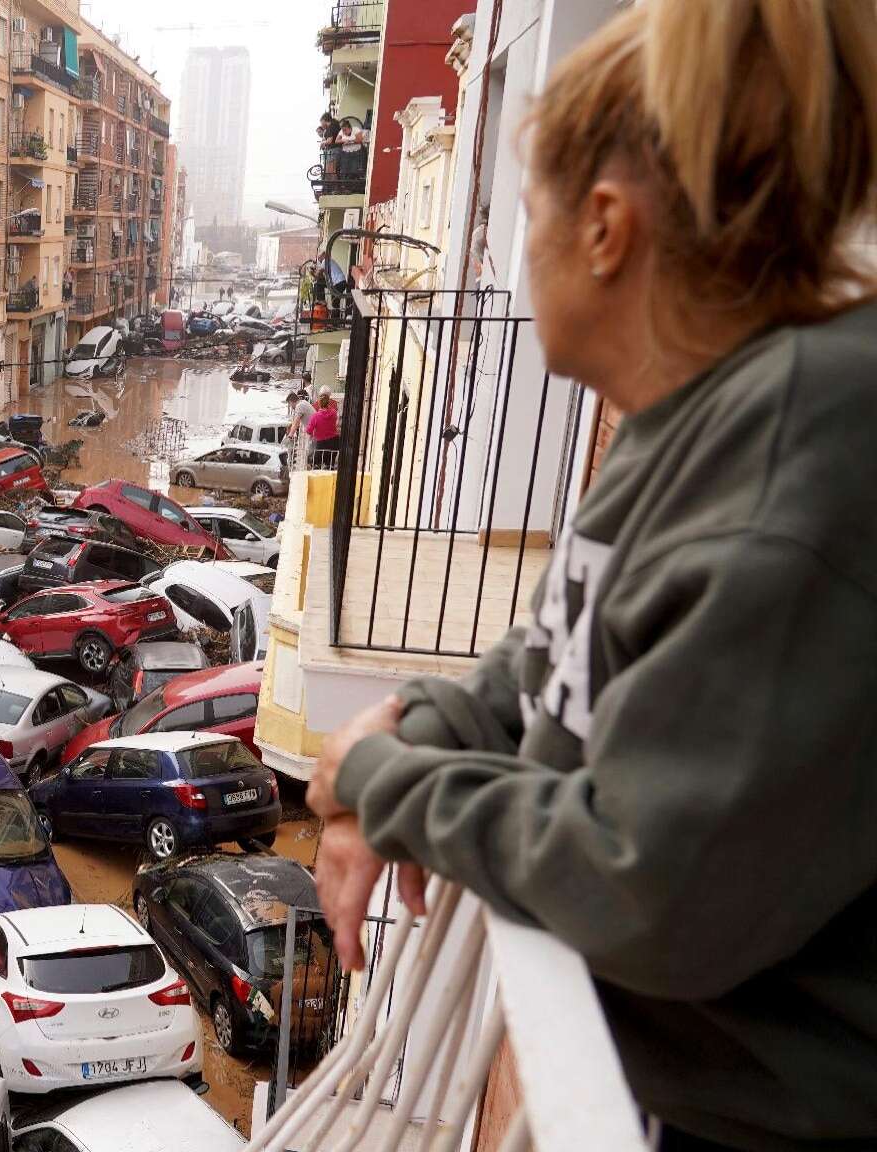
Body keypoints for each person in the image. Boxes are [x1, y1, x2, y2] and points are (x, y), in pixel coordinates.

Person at [305, 2, 877, 1149]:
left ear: (603, 227)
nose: (519, 251)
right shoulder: (691, 419)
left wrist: (384, 781)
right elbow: (552, 654)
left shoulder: (796, 465)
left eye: (526, 214)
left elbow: (643, 888)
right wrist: (422, 718)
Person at [305, 390, 339, 467]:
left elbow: (309, 431)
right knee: (330, 464)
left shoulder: (315, 416)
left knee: (314, 463)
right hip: (334, 443)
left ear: (319, 404)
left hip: (321, 444)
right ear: (328, 403)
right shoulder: (334, 413)